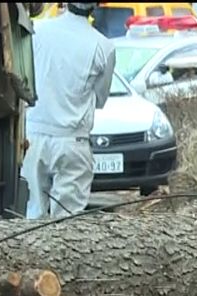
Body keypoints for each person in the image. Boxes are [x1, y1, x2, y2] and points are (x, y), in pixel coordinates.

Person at [22, 2, 116, 218]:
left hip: (34, 135)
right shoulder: (103, 47)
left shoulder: (38, 31)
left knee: (32, 215)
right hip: (73, 141)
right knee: (67, 223)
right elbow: (100, 99)